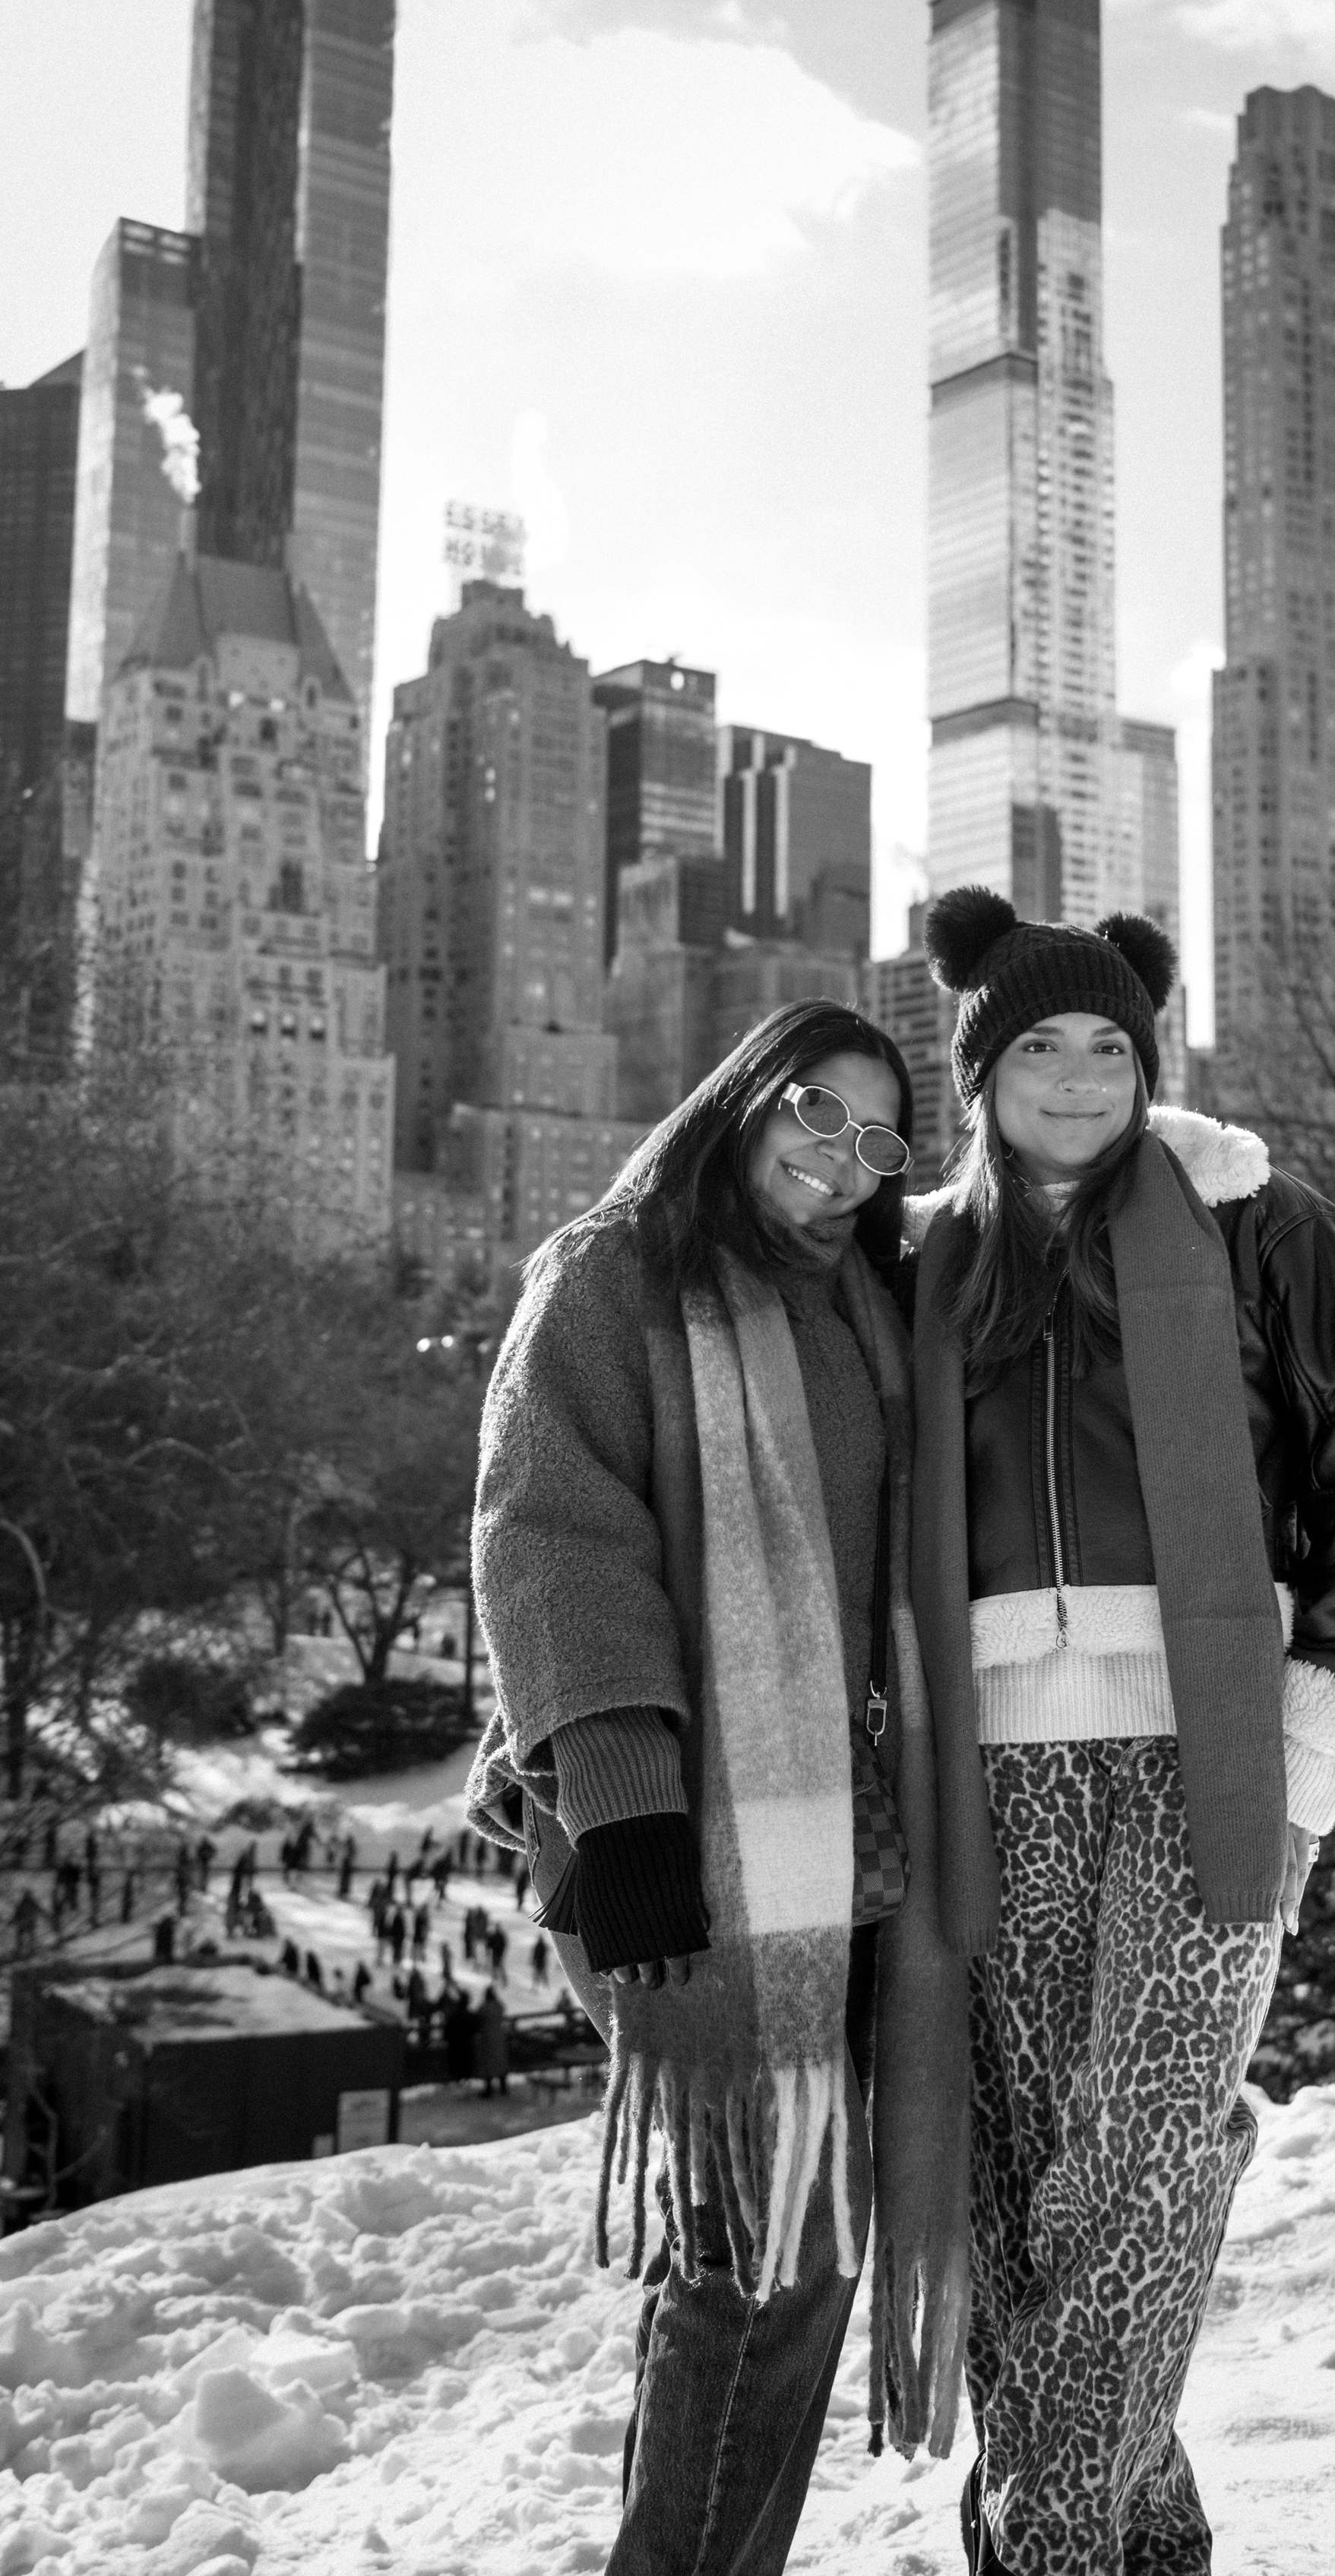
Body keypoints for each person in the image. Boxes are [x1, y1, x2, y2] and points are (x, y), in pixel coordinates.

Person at [909, 889, 1335, 2576]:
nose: (1075, 1077)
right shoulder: (919, 1260)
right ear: (975, 1070)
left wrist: (1304, 1757)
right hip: (988, 1766)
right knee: (1018, 2188)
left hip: (1208, 1752)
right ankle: (1143, 2549)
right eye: (1036, 1047)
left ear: (1148, 1057)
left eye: (1107, 1045)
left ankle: (1042, 2536)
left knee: (1140, 2157)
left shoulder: (1255, 1222)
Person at [465, 1001, 970, 2576]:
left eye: (880, 1142)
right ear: (743, 1093)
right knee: (750, 2264)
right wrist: (624, 1814)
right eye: (816, 1114)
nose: (839, 1162)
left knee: (792, 2266)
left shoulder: (868, 1310)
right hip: (684, 1849)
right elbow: (551, 1537)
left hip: (852, 1850)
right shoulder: (615, 1276)